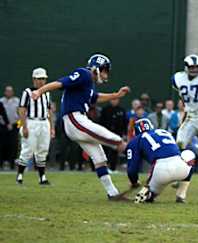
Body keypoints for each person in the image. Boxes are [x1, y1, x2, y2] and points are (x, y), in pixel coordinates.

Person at [30, 54, 131, 200]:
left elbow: (95, 98)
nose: (106, 74)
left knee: (99, 157)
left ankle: (112, 193)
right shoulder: (84, 74)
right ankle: (147, 157)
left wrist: (116, 95)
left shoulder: (88, 83)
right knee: (116, 141)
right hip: (74, 118)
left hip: (76, 120)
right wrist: (39, 91)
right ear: (98, 67)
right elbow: (60, 83)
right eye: (105, 70)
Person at [128, 118, 195, 203]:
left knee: (150, 196)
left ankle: (148, 194)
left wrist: (134, 182)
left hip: (160, 171)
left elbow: (132, 169)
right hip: (181, 168)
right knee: (189, 158)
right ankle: (181, 195)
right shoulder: (164, 132)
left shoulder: (136, 140)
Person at [16, 68, 54, 185]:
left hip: (44, 123)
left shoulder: (47, 93)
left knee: (43, 150)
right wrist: (24, 126)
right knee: (28, 149)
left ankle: (42, 177)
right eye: (39, 79)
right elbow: (22, 109)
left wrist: (51, 127)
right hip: (32, 122)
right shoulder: (27, 92)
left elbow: (49, 110)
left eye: (43, 79)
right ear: (34, 79)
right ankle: (20, 175)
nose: (41, 81)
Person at [99, 97, 128, 170]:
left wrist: (125, 134)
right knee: (105, 150)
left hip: (117, 134)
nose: (114, 101)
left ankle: (113, 168)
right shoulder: (105, 110)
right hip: (106, 134)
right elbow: (101, 122)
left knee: (115, 151)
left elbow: (125, 123)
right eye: (112, 99)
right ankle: (104, 167)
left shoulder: (122, 110)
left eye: (116, 100)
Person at [1, 85, 20, 169]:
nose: (9, 93)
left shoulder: (17, 101)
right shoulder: (1, 101)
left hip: (14, 125)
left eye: (10, 91)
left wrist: (19, 125)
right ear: (5, 92)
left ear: (12, 92)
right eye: (7, 91)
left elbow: (20, 113)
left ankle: (12, 164)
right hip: (2, 126)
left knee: (13, 145)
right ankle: (1, 163)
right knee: (2, 144)